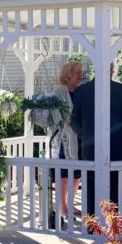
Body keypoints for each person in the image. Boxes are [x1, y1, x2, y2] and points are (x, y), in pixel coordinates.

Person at [71, 63, 122, 216]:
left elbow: (74, 121)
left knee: (90, 187)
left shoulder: (81, 91)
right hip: (116, 147)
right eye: (112, 70)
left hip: (90, 149)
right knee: (114, 187)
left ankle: (91, 226)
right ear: (110, 70)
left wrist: (85, 134)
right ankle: (112, 226)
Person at [47, 61, 83, 218]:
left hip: (80, 136)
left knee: (77, 174)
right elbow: (57, 114)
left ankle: (70, 203)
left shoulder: (81, 91)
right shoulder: (60, 90)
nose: (80, 75)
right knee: (63, 174)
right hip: (64, 139)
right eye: (77, 72)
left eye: (81, 72)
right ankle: (61, 206)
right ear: (68, 74)